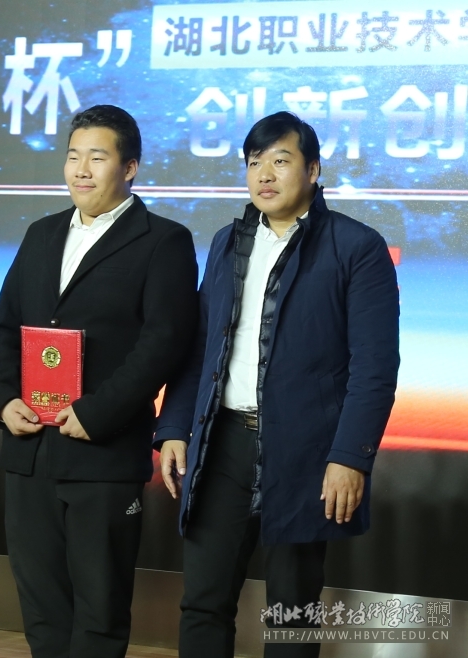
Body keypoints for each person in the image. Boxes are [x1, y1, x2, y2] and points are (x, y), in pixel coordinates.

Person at [155, 111, 400, 658]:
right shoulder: (228, 242)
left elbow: (375, 367)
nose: (264, 174)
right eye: (254, 162)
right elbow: (200, 346)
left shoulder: (356, 247)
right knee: (203, 602)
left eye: (281, 161)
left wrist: (350, 457)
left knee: (292, 613)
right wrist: (174, 426)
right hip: (222, 444)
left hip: (306, 451)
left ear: (313, 170)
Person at [0, 104, 199, 658]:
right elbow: (2, 329)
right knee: (42, 607)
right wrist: (4, 400)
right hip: (30, 450)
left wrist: (97, 412)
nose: (80, 169)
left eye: (96, 158)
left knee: (99, 610)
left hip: (102, 454)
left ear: (130, 167)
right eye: (73, 156)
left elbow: (163, 343)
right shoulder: (41, 234)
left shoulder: (164, 240)